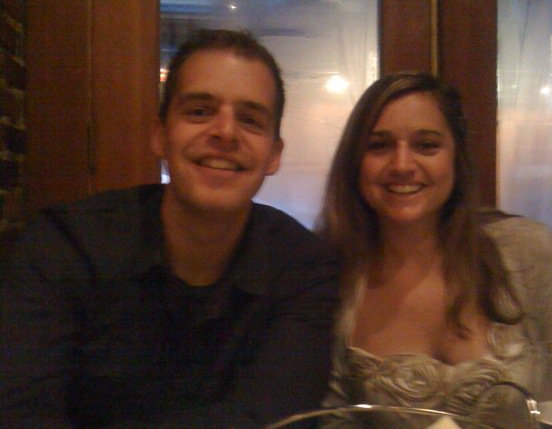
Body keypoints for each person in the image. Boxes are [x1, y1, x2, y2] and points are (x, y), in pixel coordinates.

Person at [1, 28, 340, 428]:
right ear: (161, 136)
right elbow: (23, 411)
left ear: (273, 155)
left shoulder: (303, 268)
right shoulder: (64, 246)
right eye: (199, 111)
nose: (225, 132)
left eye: (250, 120)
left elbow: (278, 418)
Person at [316, 72, 552, 425]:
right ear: (354, 162)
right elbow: (330, 419)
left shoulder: (528, 250)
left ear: (456, 158)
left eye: (426, 145)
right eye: (379, 146)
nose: (402, 165)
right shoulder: (331, 273)